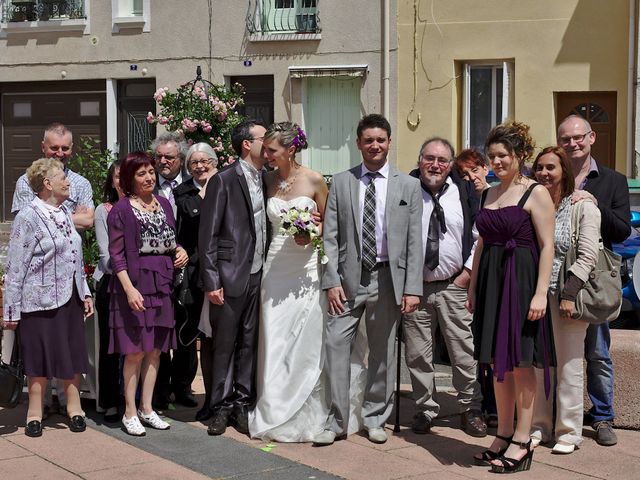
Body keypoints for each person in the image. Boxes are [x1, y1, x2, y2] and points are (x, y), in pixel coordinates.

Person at [314, 114, 424, 446]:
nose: (374, 145)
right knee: (335, 346)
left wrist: (412, 288)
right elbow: (329, 237)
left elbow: (414, 242)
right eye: (368, 140)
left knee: (382, 353)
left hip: (388, 278)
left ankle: (375, 417)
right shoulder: (342, 182)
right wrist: (330, 280)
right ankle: (336, 420)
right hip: (346, 281)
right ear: (358, 143)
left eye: (380, 139)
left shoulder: (409, 186)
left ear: (389, 142)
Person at [467, 121, 555, 473]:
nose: (497, 162)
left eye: (503, 155)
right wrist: (473, 285)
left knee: (520, 364)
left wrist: (540, 294)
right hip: (490, 282)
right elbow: (482, 242)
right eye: (492, 156)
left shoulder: (536, 193)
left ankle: (523, 439)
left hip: (520, 284)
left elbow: (548, 246)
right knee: (494, 364)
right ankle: (502, 434)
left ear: (520, 155)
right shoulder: (488, 193)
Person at [249, 122, 343, 442]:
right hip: (275, 267)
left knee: (304, 340)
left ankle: (306, 409)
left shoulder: (315, 179)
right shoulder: (266, 180)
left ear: (290, 149)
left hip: (307, 270)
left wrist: (312, 232)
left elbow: (330, 227)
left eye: (272, 150)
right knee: (274, 336)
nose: (267, 156)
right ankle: (274, 409)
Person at [2, 158, 94, 437]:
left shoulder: (65, 211)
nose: (68, 181)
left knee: (71, 353)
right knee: (38, 357)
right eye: (62, 177)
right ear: (47, 184)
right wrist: (10, 311)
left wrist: (85, 291)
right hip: (38, 300)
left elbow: (75, 256)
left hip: (70, 298)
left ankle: (74, 408)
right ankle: (34, 412)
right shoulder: (27, 216)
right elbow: (15, 265)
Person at [403, 137, 485, 438]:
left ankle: (469, 408)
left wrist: (466, 274)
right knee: (417, 354)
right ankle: (425, 408)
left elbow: (480, 234)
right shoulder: (406, 189)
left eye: (442, 160)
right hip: (415, 288)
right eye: (429, 158)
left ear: (450, 165)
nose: (435, 165)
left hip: (454, 285)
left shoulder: (464, 191)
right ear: (419, 160)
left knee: (463, 350)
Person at [557, 115, 631, 447]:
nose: (572, 144)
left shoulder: (613, 180)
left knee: (598, 352)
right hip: (557, 276)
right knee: (557, 353)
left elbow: (624, 230)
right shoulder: (551, 176)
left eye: (577, 138)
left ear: (591, 139)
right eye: (565, 139)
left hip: (595, 278)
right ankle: (559, 416)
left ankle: (602, 417)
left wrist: (594, 202)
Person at [107, 152, 189, 436]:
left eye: (151, 172)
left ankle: (147, 407)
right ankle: (129, 411)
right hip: (135, 285)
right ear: (129, 178)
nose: (149, 177)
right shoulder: (121, 210)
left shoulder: (164, 204)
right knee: (134, 351)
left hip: (162, 284)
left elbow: (170, 241)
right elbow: (116, 256)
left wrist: (180, 250)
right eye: (141, 173)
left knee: (155, 350)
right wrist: (129, 290)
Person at [198, 120, 268, 436]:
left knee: (250, 343)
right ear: (246, 144)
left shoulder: (268, 179)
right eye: (263, 138)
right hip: (229, 276)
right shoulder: (223, 180)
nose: (268, 144)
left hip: (259, 275)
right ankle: (219, 407)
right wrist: (212, 281)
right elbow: (208, 235)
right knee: (224, 345)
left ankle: (242, 404)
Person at [530, 146, 600, 454]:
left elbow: (588, 255)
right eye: (540, 167)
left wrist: (569, 295)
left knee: (569, 367)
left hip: (565, 298)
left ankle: (569, 432)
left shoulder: (582, 206)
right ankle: (538, 427)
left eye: (551, 168)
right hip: (535, 297)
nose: (544, 173)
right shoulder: (533, 205)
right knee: (537, 366)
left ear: (564, 173)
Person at [151, 132, 196, 409]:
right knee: (159, 329)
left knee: (186, 327)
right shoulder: (147, 186)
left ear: (181, 159)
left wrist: (188, 251)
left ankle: (183, 386)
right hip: (156, 269)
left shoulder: (194, 186)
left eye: (170, 157)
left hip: (188, 267)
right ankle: (160, 389)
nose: (164, 161)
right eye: (160, 157)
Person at [173, 142, 218, 421]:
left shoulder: (225, 187)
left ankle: (218, 392)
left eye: (205, 161)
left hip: (220, 271)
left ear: (215, 162)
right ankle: (183, 386)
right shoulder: (182, 193)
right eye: (194, 163)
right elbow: (177, 230)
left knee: (216, 334)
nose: (200, 167)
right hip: (193, 271)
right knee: (189, 331)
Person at [454, 148, 498, 428]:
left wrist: (467, 273)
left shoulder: (496, 194)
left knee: (494, 344)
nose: (472, 177)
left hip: (493, 273)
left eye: (475, 170)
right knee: (479, 345)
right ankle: (484, 404)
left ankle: (496, 404)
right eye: (465, 174)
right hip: (477, 280)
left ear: (486, 167)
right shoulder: (472, 198)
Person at [11, 123, 94, 230]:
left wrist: (42, 216)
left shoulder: (81, 183)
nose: (60, 153)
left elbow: (87, 221)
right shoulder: (27, 181)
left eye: (65, 148)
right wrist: (74, 217)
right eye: (54, 148)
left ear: (71, 148)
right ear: (43, 147)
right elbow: (26, 223)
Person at [93, 160, 124, 422]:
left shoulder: (147, 206)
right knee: (110, 345)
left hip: (140, 286)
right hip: (111, 283)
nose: (122, 181)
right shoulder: (104, 210)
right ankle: (110, 400)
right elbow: (105, 257)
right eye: (117, 176)